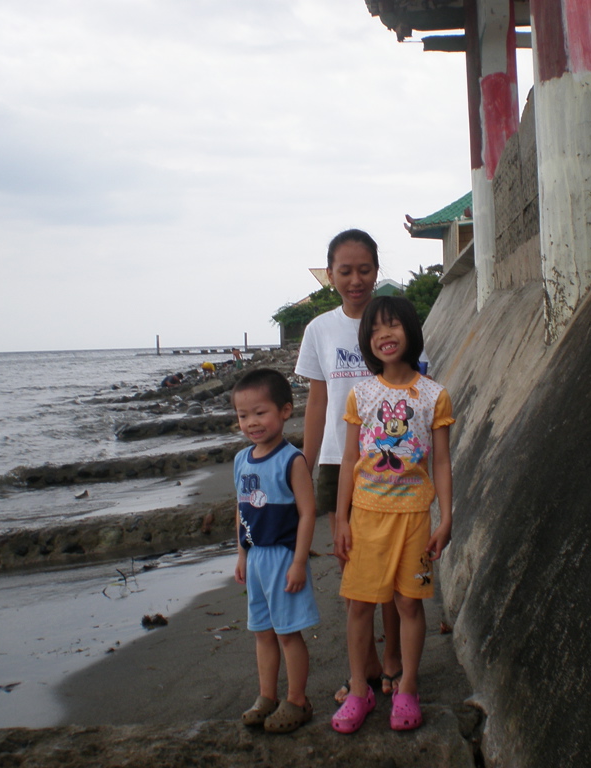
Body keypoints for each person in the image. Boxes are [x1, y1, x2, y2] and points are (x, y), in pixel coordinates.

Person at [331, 296, 454, 734]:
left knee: (408, 603)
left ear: (411, 332)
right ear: (367, 340)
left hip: (415, 516)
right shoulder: (360, 393)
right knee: (360, 604)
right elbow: (349, 461)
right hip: (366, 515)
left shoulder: (434, 394)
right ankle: (360, 691)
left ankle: (407, 687)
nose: (386, 335)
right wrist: (342, 518)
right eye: (376, 328)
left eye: (395, 326)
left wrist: (446, 517)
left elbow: (440, 461)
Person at [294, 229, 405, 703]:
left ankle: (396, 661)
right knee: (354, 566)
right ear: (331, 275)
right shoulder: (320, 329)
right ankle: (369, 668)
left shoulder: (395, 323)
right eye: (345, 271)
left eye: (364, 270)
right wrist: (304, 459)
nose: (355, 279)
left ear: (376, 271)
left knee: (395, 566)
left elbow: (411, 389)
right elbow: (318, 402)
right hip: (341, 464)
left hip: (390, 465)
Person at [232, 368, 319, 734]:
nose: (252, 422)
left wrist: (299, 562)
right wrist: (241, 553)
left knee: (287, 633)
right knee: (262, 632)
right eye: (243, 415)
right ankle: (267, 696)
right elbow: (240, 509)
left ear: (285, 411)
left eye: (260, 412)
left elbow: (307, 512)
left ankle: (297, 699)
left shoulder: (291, 460)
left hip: (283, 558)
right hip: (256, 559)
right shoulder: (241, 460)